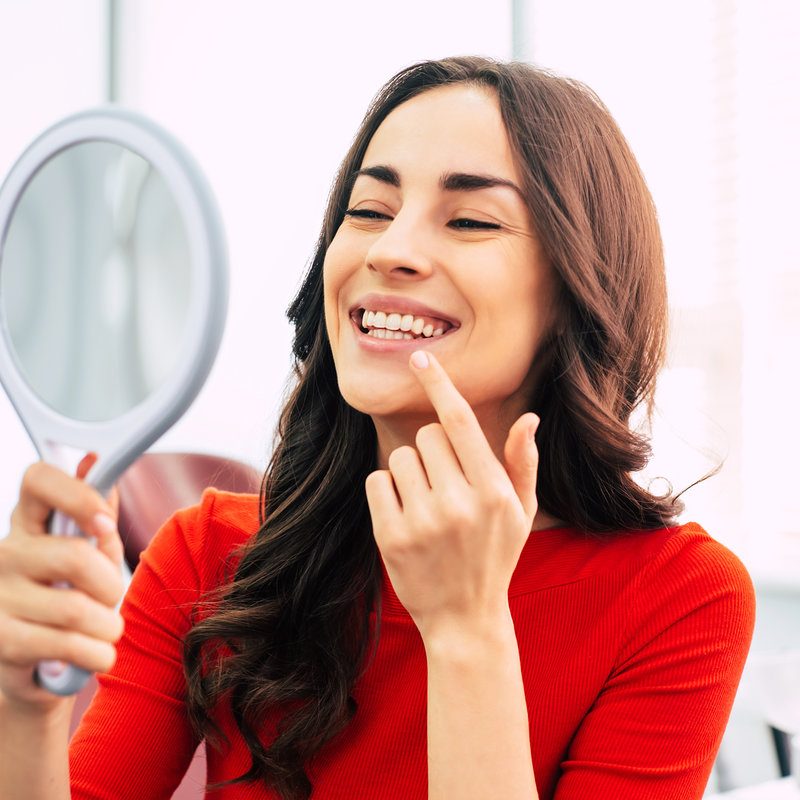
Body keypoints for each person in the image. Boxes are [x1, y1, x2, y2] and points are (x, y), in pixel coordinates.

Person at [0, 56, 755, 800]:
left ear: (577, 291)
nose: (390, 250)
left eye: (468, 219)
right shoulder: (207, 557)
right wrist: (24, 710)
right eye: (368, 211)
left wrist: (465, 631)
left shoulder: (681, 599)